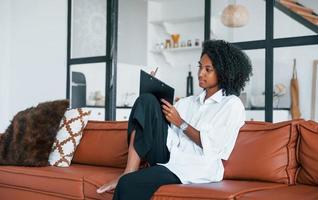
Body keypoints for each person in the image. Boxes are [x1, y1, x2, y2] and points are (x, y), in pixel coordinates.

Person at [97, 39, 253, 200]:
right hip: (169, 154)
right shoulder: (188, 102)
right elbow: (159, 123)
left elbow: (215, 146)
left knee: (130, 184)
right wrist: (151, 91)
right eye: (200, 67)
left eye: (208, 69)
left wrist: (181, 123)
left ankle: (127, 179)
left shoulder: (231, 105)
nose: (201, 73)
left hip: (195, 167)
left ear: (223, 73)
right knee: (146, 100)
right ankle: (128, 171)